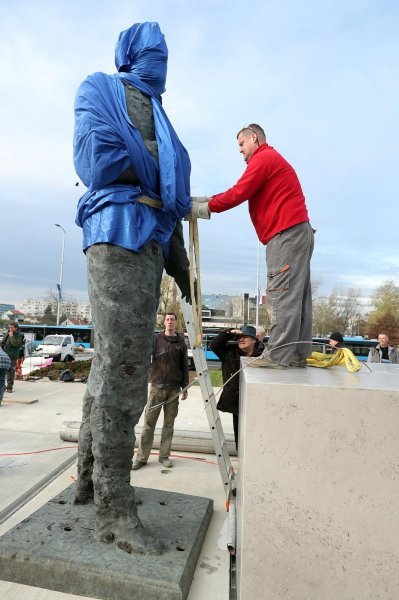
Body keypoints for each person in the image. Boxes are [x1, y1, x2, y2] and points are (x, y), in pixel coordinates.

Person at [73, 22, 192, 555]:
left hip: (150, 243)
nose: (160, 61)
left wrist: (179, 260)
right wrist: (160, 169)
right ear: (129, 54)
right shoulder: (99, 88)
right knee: (123, 369)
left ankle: (87, 479)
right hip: (115, 234)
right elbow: (99, 160)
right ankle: (114, 511)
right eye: (152, 53)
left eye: (165, 54)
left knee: (110, 363)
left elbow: (168, 196)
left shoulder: (161, 114)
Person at [190, 124, 314, 369]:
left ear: (254, 138)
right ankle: (297, 353)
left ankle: (277, 356)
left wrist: (199, 208)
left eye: (241, 144)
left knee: (282, 294)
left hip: (285, 235)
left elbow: (238, 192)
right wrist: (200, 200)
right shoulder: (272, 159)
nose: (239, 151)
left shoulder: (263, 158)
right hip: (298, 232)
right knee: (298, 297)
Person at [133, 312, 189, 470]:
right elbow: (145, 358)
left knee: (168, 425)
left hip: (173, 390)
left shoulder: (181, 343)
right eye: (167, 319)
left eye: (172, 319)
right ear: (164, 322)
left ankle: (164, 456)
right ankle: (142, 458)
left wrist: (184, 386)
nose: (170, 322)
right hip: (157, 388)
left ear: (176, 323)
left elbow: (184, 366)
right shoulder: (156, 340)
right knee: (148, 424)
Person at [211, 325, 263, 449]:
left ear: (254, 340)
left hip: (256, 402)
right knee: (239, 434)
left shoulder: (263, 355)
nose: (241, 339)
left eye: (245, 337)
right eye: (239, 337)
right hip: (236, 402)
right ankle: (241, 458)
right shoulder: (229, 352)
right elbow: (215, 345)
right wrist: (230, 333)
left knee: (255, 433)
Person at [1, 322, 24, 393]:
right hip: (4, 354)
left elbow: (15, 344)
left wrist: (11, 336)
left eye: (12, 327)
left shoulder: (20, 335)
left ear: (16, 328)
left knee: (11, 371)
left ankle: (9, 387)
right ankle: (2, 386)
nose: (10, 329)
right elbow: (3, 342)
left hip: (12, 356)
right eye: (9, 327)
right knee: (2, 371)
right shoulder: (8, 332)